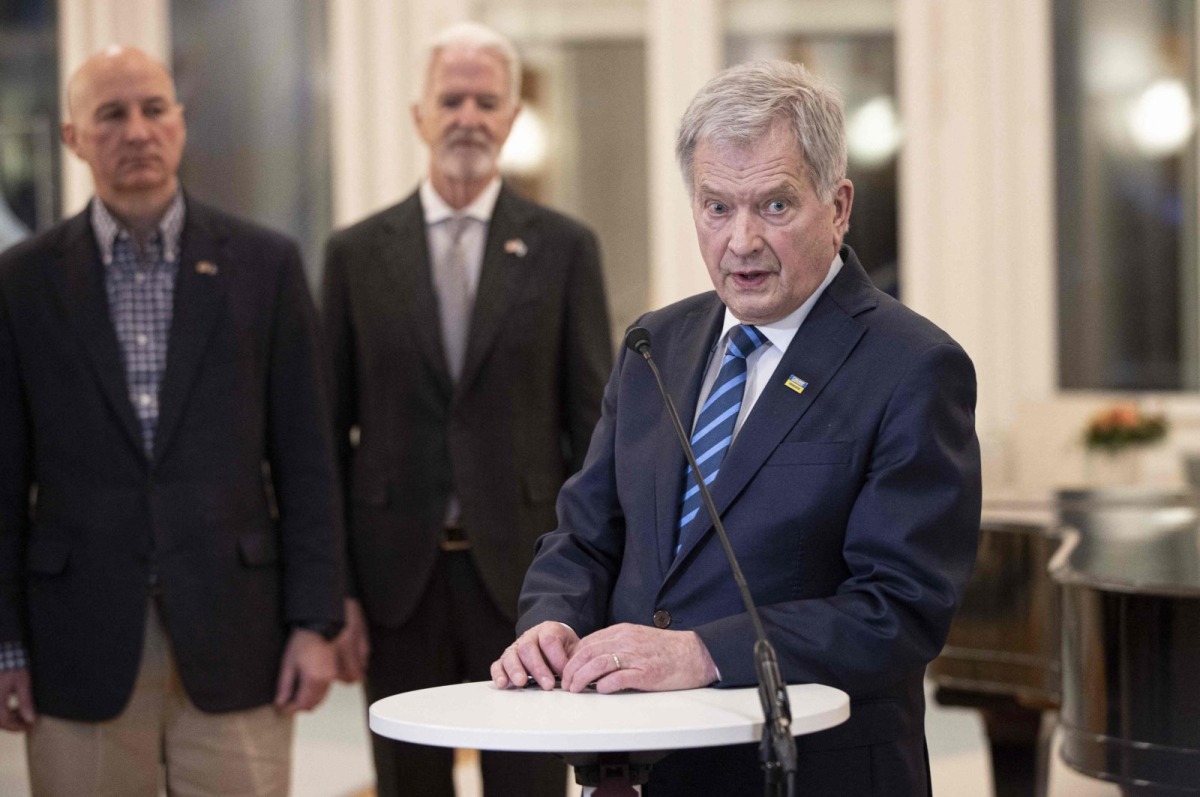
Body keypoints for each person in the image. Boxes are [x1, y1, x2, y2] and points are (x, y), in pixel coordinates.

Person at [491, 59, 981, 797]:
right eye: (716, 207)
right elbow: (585, 536)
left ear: (839, 204)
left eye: (775, 206)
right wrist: (552, 620)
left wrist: (703, 651)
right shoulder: (655, 345)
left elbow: (898, 609)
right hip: (640, 768)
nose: (741, 240)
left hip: (811, 773)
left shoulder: (914, 367)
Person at [0, 46, 344, 796]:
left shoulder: (266, 265)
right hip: (74, 641)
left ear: (181, 123)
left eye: (154, 108)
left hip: (239, 634)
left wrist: (315, 623)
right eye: (111, 114)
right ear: (72, 138)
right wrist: (5, 646)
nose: (137, 129)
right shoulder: (21, 281)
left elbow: (308, 463)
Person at [322, 21, 612, 797]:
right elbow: (325, 437)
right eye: (451, 99)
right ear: (419, 115)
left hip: (527, 581)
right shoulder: (353, 255)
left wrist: (595, 581)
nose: (469, 117)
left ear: (513, 117)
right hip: (393, 585)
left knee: (528, 784)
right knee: (408, 783)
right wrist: (335, 592)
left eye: (488, 101)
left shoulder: (564, 247)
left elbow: (594, 437)